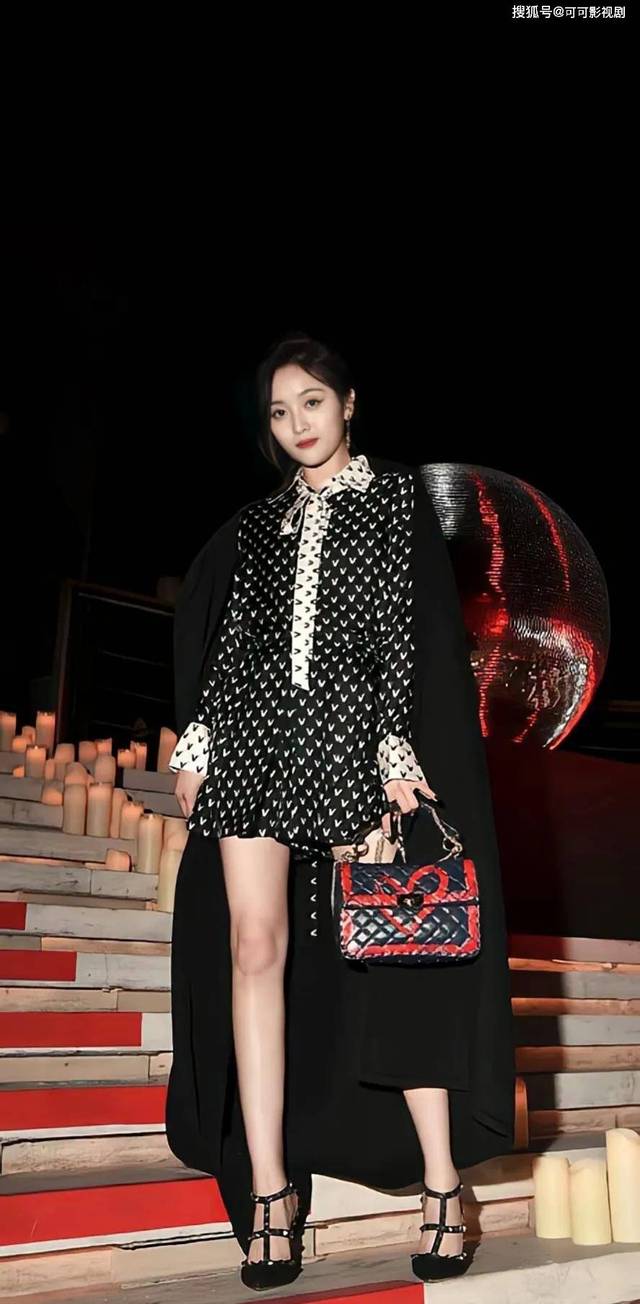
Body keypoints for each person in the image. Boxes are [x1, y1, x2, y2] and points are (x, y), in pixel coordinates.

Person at [165, 333, 516, 1290]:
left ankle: (442, 1185)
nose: (297, 426)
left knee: (394, 957)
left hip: (351, 741)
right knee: (253, 949)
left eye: (311, 403)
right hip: (252, 744)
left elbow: (403, 632)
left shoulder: (395, 499)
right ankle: (271, 1193)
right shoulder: (261, 523)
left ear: (348, 402)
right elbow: (235, 643)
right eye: (280, 413)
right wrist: (198, 742)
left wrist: (396, 748)